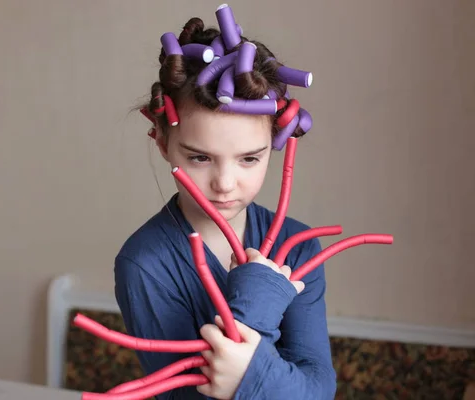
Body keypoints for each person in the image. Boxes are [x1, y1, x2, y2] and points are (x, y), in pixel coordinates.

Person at [113, 6, 337, 400]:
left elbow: (318, 391)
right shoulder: (144, 263)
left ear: (277, 145)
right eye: (200, 157)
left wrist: (243, 371)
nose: (225, 184)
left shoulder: (299, 245)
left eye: (250, 158)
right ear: (164, 143)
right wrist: (258, 307)